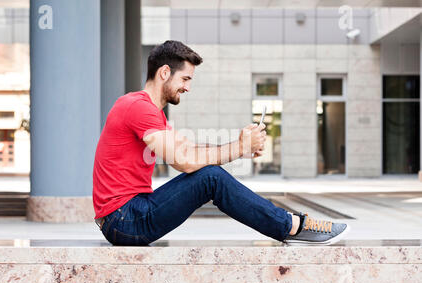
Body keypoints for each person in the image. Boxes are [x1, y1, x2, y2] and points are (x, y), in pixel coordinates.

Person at [92, 40, 350, 246]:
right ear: (164, 72)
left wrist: (240, 143)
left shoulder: (147, 110)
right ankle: (292, 226)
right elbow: (183, 161)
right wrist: (240, 148)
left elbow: (189, 152)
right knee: (211, 178)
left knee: (209, 174)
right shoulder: (137, 107)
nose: (188, 88)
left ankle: (290, 225)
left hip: (127, 215)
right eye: (185, 79)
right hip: (124, 220)